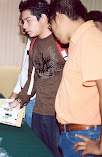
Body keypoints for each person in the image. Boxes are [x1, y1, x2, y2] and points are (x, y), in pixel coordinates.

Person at [9, 0, 66, 156]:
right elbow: (32, 78)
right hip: (38, 111)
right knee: (38, 152)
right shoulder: (33, 44)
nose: (24, 26)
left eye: (28, 21)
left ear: (43, 18)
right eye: (23, 21)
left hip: (59, 115)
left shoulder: (61, 41)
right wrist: (19, 100)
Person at [49, 0, 102, 156]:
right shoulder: (80, 41)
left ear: (59, 17)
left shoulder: (91, 39)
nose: (53, 33)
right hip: (74, 134)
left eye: (51, 26)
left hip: (84, 136)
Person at [9, 14, 35, 128]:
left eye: (24, 21)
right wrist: (14, 95)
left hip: (33, 99)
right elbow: (24, 73)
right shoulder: (30, 40)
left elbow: (34, 77)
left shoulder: (39, 42)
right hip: (26, 97)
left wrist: (21, 98)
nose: (21, 24)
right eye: (21, 21)